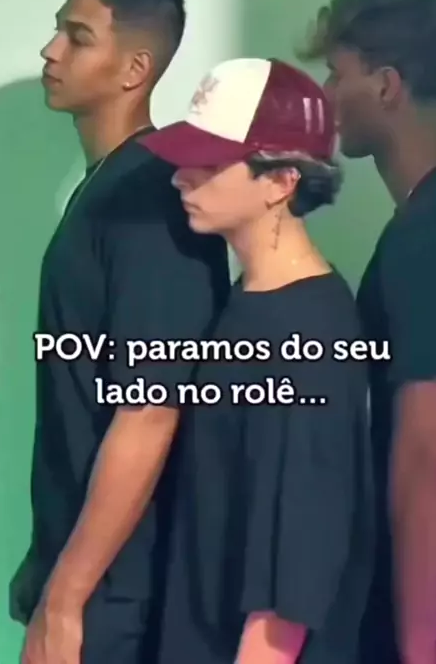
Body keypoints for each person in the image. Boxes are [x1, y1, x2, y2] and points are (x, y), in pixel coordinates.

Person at [9, 0, 230, 664]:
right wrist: (46, 562)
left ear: (135, 68)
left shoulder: (153, 199)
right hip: (87, 575)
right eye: (57, 31)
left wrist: (67, 598)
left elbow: (152, 408)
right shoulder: (107, 188)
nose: (51, 51)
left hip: (122, 594)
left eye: (77, 37)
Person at [138, 57, 374, 664]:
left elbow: (291, 584)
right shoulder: (250, 300)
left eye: (210, 163)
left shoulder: (308, 337)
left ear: (281, 181)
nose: (181, 178)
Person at [300, 0, 436, 664]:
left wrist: (417, 645)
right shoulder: (435, 220)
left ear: (387, 85)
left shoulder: (435, 232)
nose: (327, 95)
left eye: (338, 75)